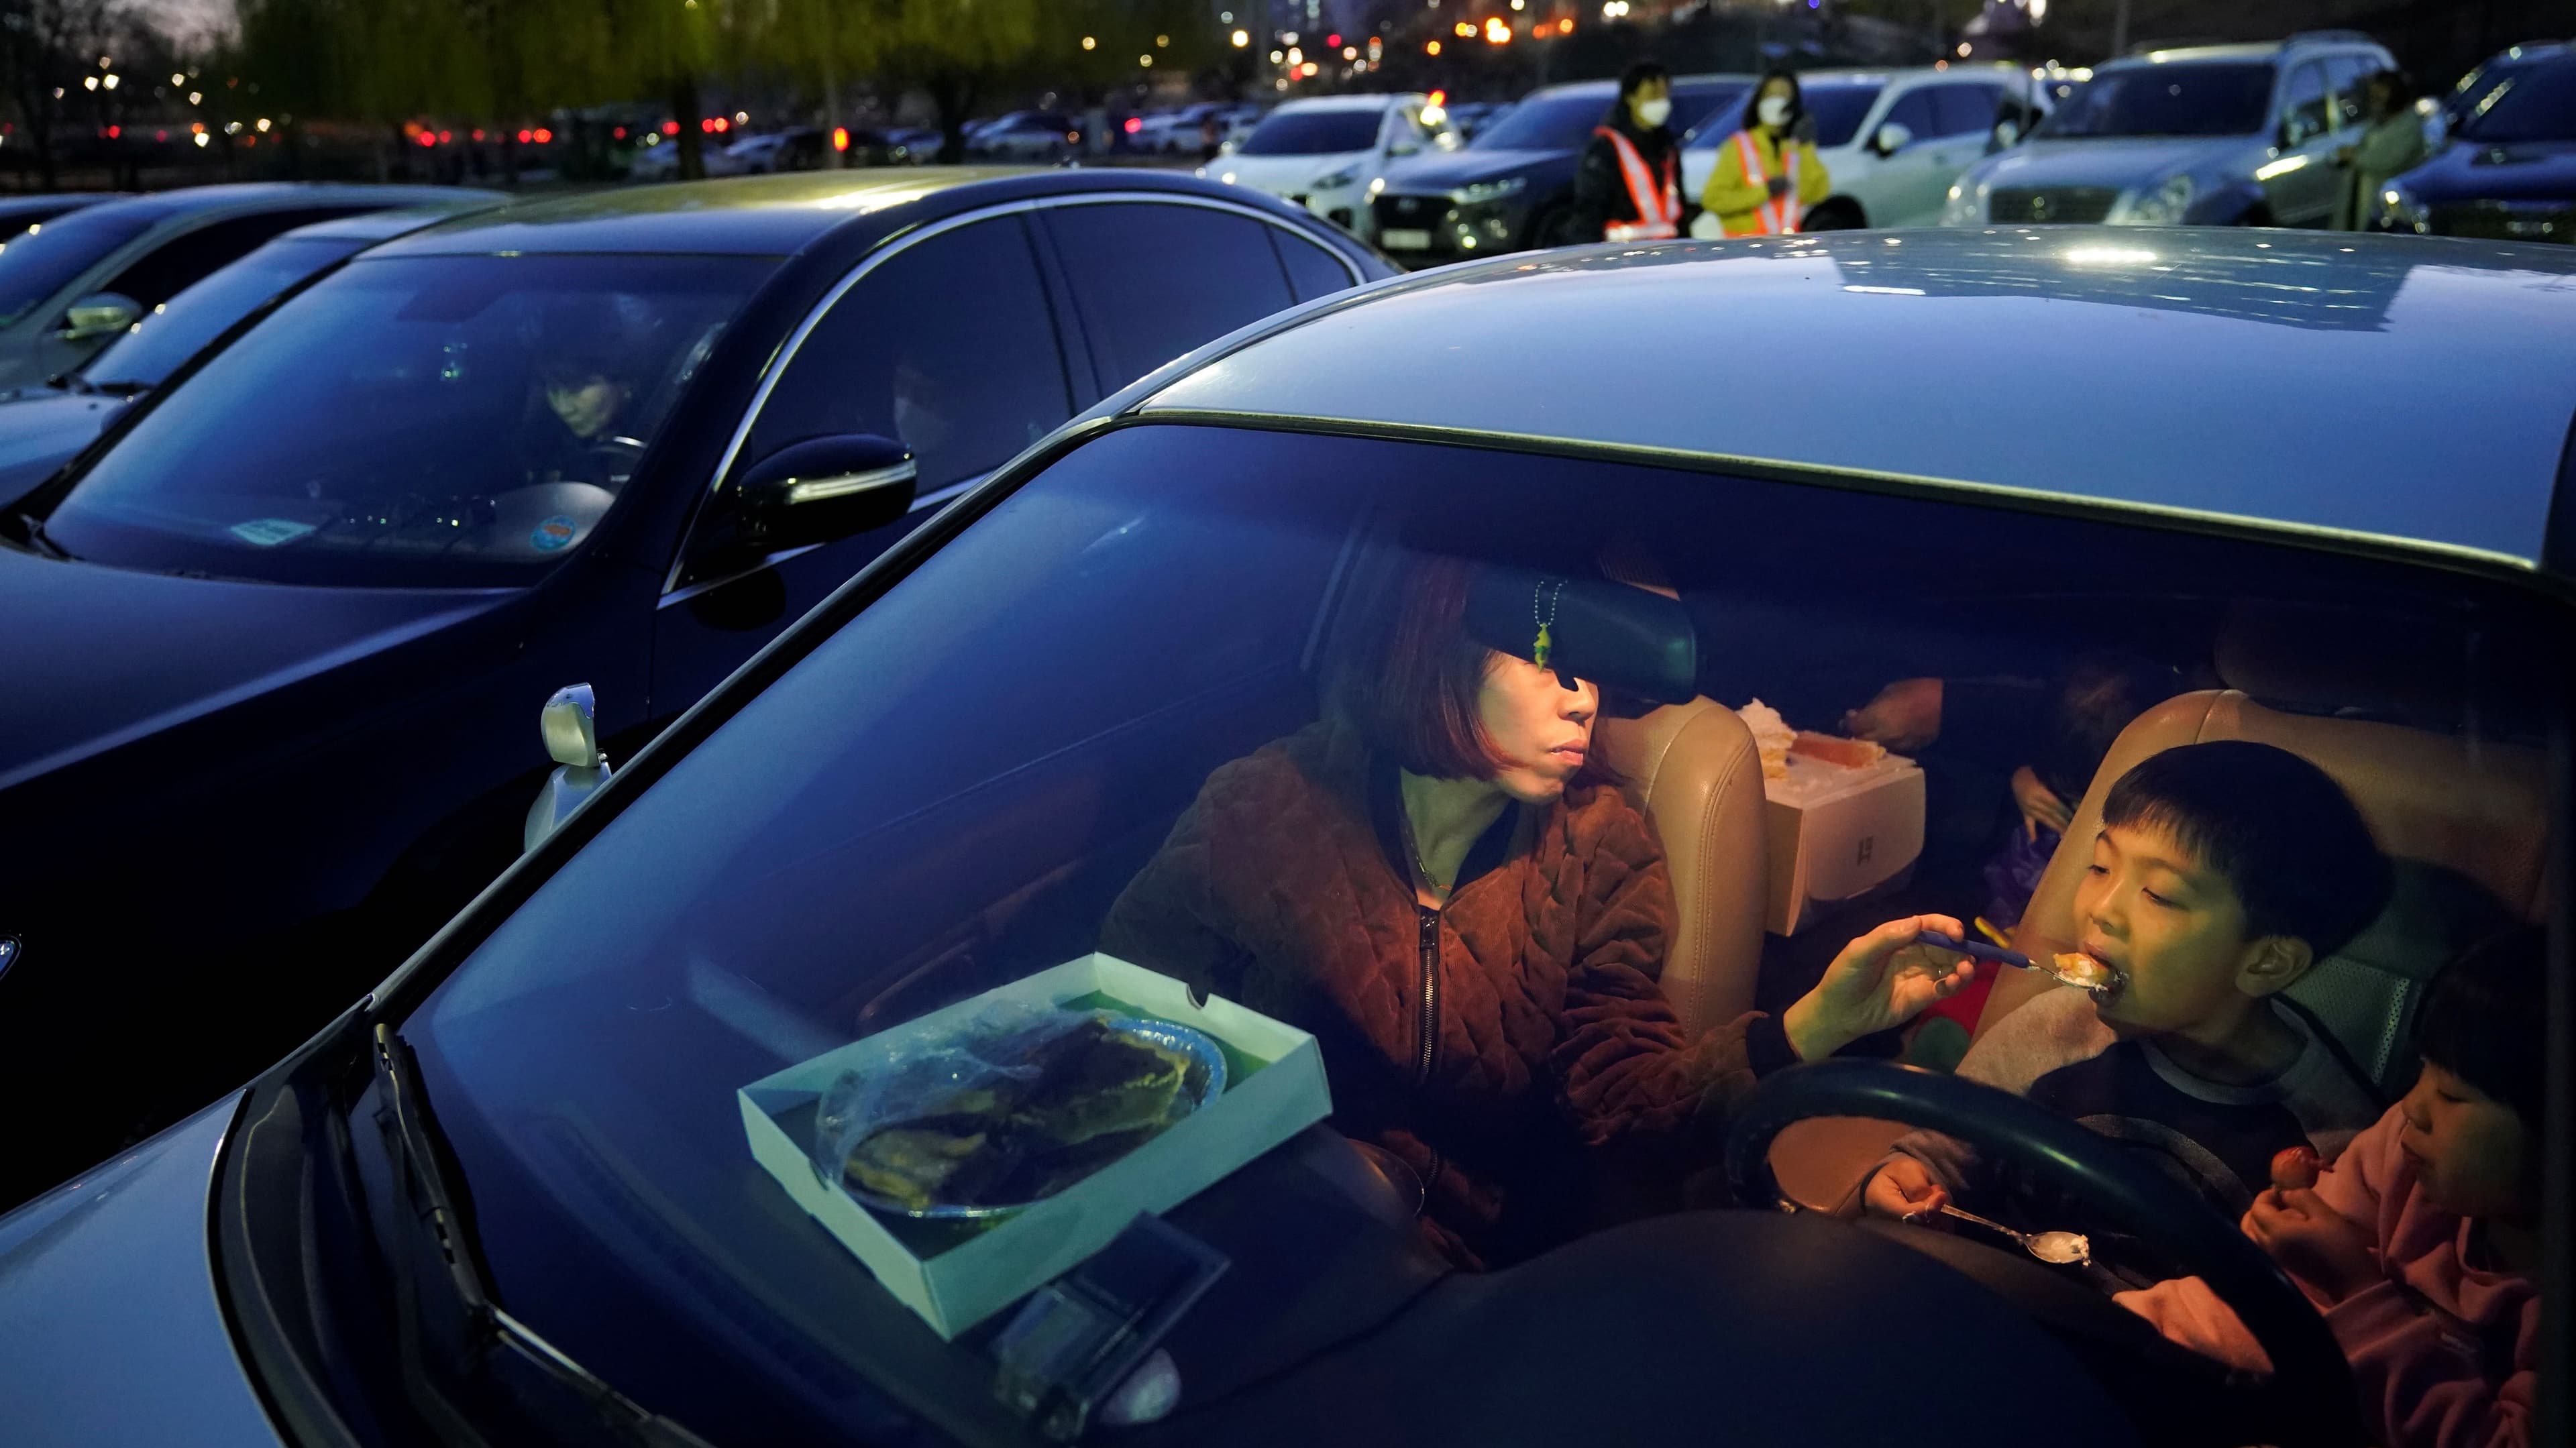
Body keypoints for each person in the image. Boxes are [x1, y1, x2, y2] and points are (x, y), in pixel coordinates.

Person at [1102, 553, 1974, 1268]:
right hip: (1265, 1225)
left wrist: (1807, 1026)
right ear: (1438, 648)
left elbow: (1626, 1096)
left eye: (1593, 669)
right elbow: (1128, 1024)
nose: (1584, 697)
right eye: (1548, 659)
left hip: (1458, 1267)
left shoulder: (1597, 843)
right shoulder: (1263, 809)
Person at [1864, 741, 2390, 1282]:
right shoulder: (2054, 1030)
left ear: (2266, 961)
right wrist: (1910, 1176)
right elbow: (1944, 1147)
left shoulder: (2329, 1145)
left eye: (2159, 894)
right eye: (2098, 866)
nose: (2101, 908)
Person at [2115, 927, 2544, 1448]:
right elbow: (2279, 1294)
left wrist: (2356, 1288)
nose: (2413, 1107)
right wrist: (2123, 1333)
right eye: (2423, 1070)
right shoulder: (2405, 1157)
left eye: (2453, 1095)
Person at [1569, 61, 1700, 243]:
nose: (1662, 102)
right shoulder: (1606, 147)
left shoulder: (1666, 146)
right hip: (1622, 255)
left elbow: (1679, 207)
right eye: (1653, 95)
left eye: (1664, 95)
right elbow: (1590, 211)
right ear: (1630, 98)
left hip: (1668, 254)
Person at [1697, 69, 1831, 237]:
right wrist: (1763, 192)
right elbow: (1713, 200)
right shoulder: (1738, 147)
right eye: (1770, 95)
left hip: (1787, 249)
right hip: (1745, 251)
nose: (1777, 101)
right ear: (1759, 100)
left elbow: (1817, 194)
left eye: (1784, 95)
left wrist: (1807, 147)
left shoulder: (1797, 148)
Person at [2337, 69, 2432, 231]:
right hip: (2363, 204)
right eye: (2373, 93)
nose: (2375, 98)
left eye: (2381, 93)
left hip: (2389, 213)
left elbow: (2385, 159)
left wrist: (2354, 156)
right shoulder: (2376, 124)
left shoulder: (2408, 126)